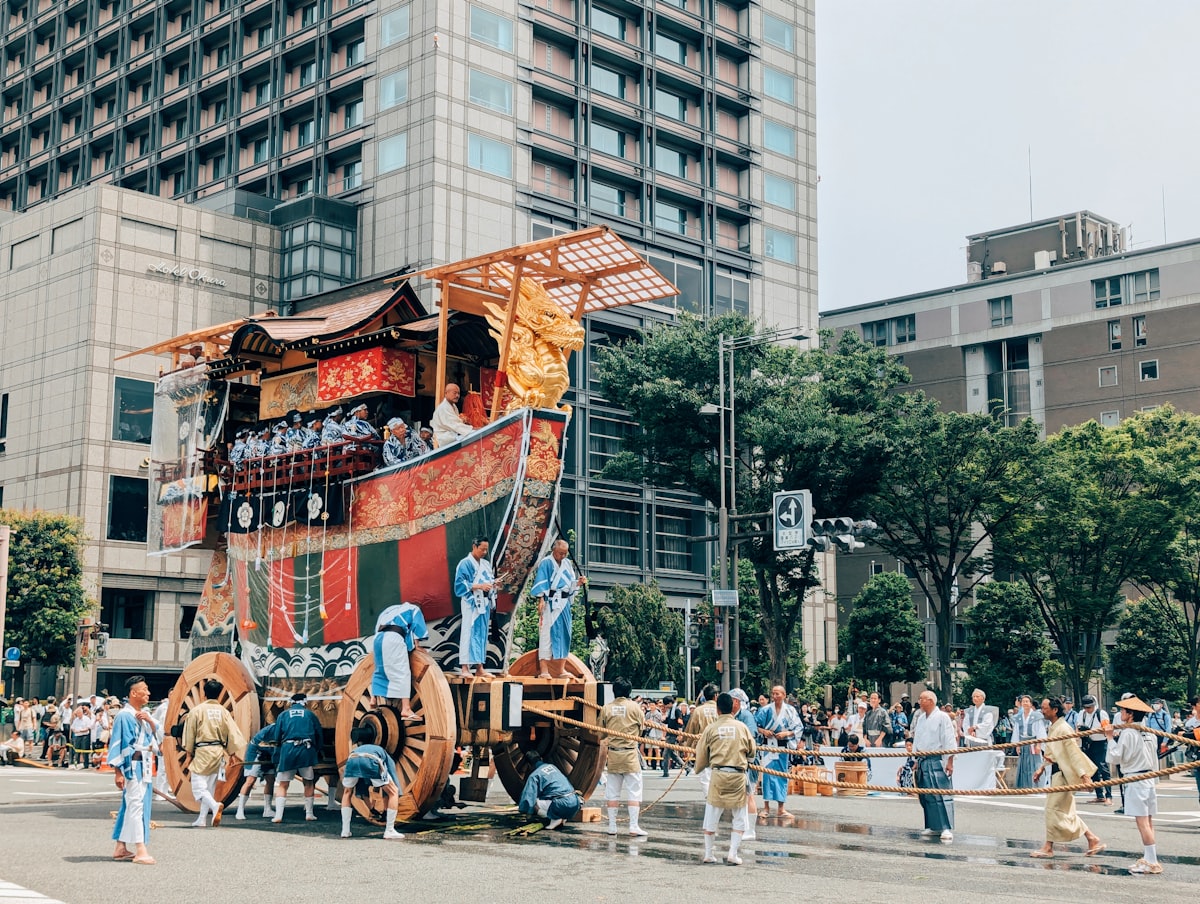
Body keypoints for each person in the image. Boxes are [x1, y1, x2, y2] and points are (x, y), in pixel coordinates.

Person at [1029, 696, 1104, 859]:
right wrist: (1041, 768)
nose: (1043, 710)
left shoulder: (1063, 728)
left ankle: (1048, 847)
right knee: (1065, 811)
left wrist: (1085, 776)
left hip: (1064, 774)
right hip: (1057, 772)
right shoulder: (1054, 727)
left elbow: (1074, 753)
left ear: (1055, 710)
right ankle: (1092, 838)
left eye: (1045, 708)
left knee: (1052, 809)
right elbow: (1051, 752)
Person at [694, 692, 756, 865]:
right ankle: (732, 853)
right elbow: (752, 751)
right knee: (739, 815)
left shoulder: (711, 728)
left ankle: (708, 853)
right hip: (737, 774)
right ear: (733, 707)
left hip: (718, 774)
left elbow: (702, 754)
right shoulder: (741, 727)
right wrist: (747, 760)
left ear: (717, 708)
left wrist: (698, 768)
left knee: (712, 814)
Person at [1106, 695, 1162, 873]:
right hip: (1148, 778)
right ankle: (1148, 857)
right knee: (1149, 821)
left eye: (1123, 710)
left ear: (1130, 714)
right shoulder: (1148, 732)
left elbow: (1116, 757)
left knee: (1143, 822)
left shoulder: (1128, 733)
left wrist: (1109, 738)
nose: (1121, 713)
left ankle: (1152, 861)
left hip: (1136, 779)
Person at [108, 676, 159, 865]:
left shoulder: (144, 715)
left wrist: (150, 722)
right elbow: (118, 744)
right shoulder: (124, 715)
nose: (148, 693)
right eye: (144, 690)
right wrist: (118, 772)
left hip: (144, 764)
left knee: (132, 805)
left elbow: (157, 736)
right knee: (136, 804)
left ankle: (120, 847)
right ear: (133, 693)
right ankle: (140, 849)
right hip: (133, 766)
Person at [182, 678, 246, 828]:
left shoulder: (197, 711)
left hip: (203, 750)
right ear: (218, 695)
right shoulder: (223, 711)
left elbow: (190, 733)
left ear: (204, 694)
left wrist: (188, 754)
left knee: (198, 785)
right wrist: (231, 753)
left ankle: (215, 805)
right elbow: (232, 732)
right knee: (209, 786)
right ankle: (202, 818)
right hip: (218, 751)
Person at [531, 539, 586, 678]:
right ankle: (544, 670)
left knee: (565, 634)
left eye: (565, 553)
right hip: (550, 602)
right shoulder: (546, 562)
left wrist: (578, 583)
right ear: (553, 550)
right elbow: (541, 583)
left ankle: (561, 669)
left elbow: (570, 584)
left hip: (564, 603)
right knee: (546, 635)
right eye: (560, 553)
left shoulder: (567, 563)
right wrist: (541, 599)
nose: (563, 556)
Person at [599, 677, 647, 836]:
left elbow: (600, 732)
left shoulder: (607, 708)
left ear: (614, 691)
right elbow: (641, 731)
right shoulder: (635, 707)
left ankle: (612, 826)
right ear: (629, 692)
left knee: (612, 792)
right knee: (634, 791)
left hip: (613, 754)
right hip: (630, 754)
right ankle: (633, 826)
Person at [340, 725, 404, 839]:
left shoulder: (357, 748)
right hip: (372, 759)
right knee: (393, 791)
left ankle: (345, 831)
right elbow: (391, 773)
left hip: (352, 758)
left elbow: (360, 784)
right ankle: (389, 830)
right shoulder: (381, 751)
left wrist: (370, 807)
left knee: (347, 792)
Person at [370, 601, 429, 721]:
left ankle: (373, 699)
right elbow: (417, 628)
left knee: (380, 669)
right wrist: (417, 645)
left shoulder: (390, 609)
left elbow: (377, 627)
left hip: (377, 639)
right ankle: (406, 709)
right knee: (402, 672)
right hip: (393, 638)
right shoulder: (414, 609)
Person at [270, 692, 324, 823]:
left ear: (291, 702)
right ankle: (309, 814)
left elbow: (277, 736)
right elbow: (319, 734)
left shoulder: (283, 715)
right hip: (306, 750)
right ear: (305, 702)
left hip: (288, 750)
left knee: (283, 784)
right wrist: (315, 749)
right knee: (309, 781)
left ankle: (278, 815)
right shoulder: (310, 715)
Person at [910, 690, 955, 843]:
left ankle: (946, 827)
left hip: (937, 758)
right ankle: (932, 825)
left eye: (921, 699)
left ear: (930, 700)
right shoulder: (921, 718)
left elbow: (949, 740)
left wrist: (950, 761)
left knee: (940, 794)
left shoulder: (943, 717)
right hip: (922, 758)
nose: (919, 701)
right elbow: (917, 739)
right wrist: (915, 758)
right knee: (926, 795)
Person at [754, 684, 800, 819]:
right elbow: (755, 726)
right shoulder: (765, 710)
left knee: (781, 776)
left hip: (782, 747)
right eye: (773, 694)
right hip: (768, 746)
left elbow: (798, 728)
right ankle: (766, 807)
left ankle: (781, 808)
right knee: (767, 776)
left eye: (777, 694)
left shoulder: (790, 710)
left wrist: (786, 734)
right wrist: (764, 732)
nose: (775, 696)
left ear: (784, 695)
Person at [453, 536, 496, 677]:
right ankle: (465, 667)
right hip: (471, 602)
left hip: (484, 602)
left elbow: (489, 581)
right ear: (474, 546)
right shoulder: (464, 564)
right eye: (482, 549)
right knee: (468, 632)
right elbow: (459, 586)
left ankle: (479, 667)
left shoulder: (485, 564)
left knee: (482, 634)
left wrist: (493, 585)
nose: (484, 552)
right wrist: (479, 586)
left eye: (486, 550)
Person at [518, 750, 581, 830]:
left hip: (561, 805)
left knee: (533, 803)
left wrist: (528, 814)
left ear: (529, 765)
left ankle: (554, 818)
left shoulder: (534, 776)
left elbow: (528, 799)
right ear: (540, 759)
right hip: (575, 803)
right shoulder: (552, 766)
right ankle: (562, 817)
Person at [729, 689, 759, 838]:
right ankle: (742, 827)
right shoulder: (732, 716)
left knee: (749, 795)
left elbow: (751, 737)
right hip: (736, 760)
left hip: (748, 760)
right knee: (740, 797)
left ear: (736, 701)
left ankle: (750, 829)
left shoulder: (746, 716)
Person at [234, 724, 278, 820]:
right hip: (256, 752)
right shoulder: (269, 730)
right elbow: (259, 742)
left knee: (270, 779)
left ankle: (267, 809)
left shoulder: (286, 730)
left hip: (270, 753)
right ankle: (240, 810)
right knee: (250, 780)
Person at [1077, 694, 1112, 804]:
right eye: (1085, 707)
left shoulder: (1101, 713)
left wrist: (1091, 730)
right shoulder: (1081, 714)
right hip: (1087, 743)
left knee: (1103, 768)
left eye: (1089, 707)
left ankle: (1109, 795)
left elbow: (1106, 729)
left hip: (1100, 742)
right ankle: (1099, 795)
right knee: (1092, 769)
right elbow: (1077, 727)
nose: (1087, 709)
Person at [1012, 695, 1046, 788]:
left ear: (1031, 704)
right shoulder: (1018, 717)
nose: (1025, 703)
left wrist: (1039, 744)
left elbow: (1040, 731)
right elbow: (1016, 732)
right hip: (1023, 742)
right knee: (1024, 765)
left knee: (1035, 763)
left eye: (1027, 701)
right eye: (1023, 701)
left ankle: (1036, 785)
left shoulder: (1036, 716)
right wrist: (1017, 745)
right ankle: (1024, 786)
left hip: (1033, 742)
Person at [431, 383, 473, 448]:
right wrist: (472, 430)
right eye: (455, 393)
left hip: (452, 437)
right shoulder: (444, 407)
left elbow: (457, 423)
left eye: (458, 393)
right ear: (446, 393)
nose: (457, 396)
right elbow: (455, 426)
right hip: (444, 439)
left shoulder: (453, 406)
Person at [661, 696, 685, 776]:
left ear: (670, 703)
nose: (666, 707)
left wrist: (680, 734)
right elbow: (668, 720)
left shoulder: (677, 710)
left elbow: (680, 722)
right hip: (669, 733)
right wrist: (662, 720)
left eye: (666, 705)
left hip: (673, 734)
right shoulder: (671, 710)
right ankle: (686, 767)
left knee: (666, 753)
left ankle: (666, 772)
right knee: (672, 754)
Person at [69, 701, 95, 769]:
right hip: (77, 736)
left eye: (79, 713)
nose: (78, 715)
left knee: (84, 750)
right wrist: (75, 730)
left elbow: (88, 728)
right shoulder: (76, 720)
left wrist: (80, 730)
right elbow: (72, 727)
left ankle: (85, 764)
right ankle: (76, 763)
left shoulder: (86, 719)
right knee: (77, 750)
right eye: (77, 714)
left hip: (84, 735)